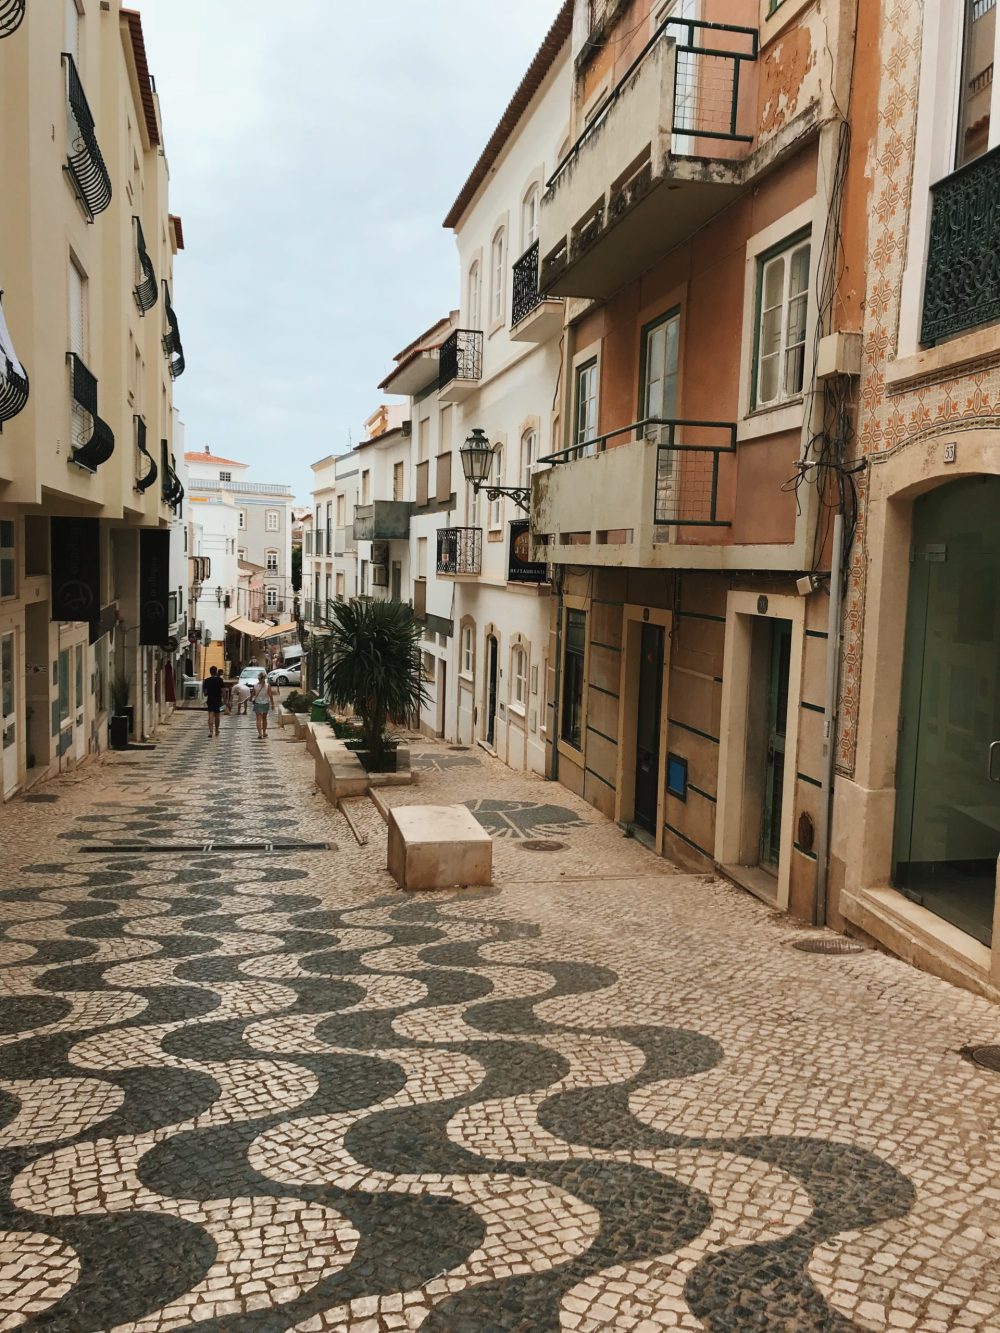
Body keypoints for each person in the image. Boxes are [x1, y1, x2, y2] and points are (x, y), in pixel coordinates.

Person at [251, 670, 275, 738]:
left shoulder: (255, 686)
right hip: (265, 703)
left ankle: (260, 734)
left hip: (257, 703)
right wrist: (273, 704)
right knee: (264, 718)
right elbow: (270, 695)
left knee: (258, 719)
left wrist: (251, 699)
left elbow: (252, 695)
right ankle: (264, 733)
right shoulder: (267, 686)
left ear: (258, 678)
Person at [202, 665, 224, 737]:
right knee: (217, 716)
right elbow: (223, 691)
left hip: (210, 700)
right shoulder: (220, 680)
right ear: (216, 671)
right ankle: (216, 730)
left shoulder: (207, 680)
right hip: (218, 700)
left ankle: (211, 732)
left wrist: (207, 692)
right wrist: (224, 700)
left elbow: (205, 693)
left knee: (210, 715)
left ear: (210, 672)